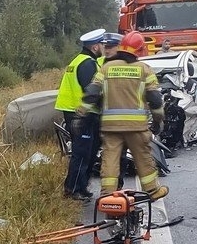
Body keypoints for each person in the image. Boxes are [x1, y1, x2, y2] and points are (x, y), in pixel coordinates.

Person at [78, 31, 168, 201]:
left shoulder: (106, 68)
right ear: (140, 50)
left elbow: (92, 93)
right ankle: (152, 190)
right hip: (137, 127)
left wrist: (81, 113)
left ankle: (108, 196)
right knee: (143, 157)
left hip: (111, 127)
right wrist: (158, 120)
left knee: (110, 160)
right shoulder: (144, 70)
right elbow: (155, 99)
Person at [55, 29, 107, 200]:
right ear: (94, 47)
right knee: (82, 152)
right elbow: (91, 91)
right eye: (101, 44)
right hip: (81, 114)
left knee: (89, 151)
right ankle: (74, 188)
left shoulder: (81, 60)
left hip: (76, 112)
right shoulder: (87, 64)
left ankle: (81, 186)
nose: (104, 47)